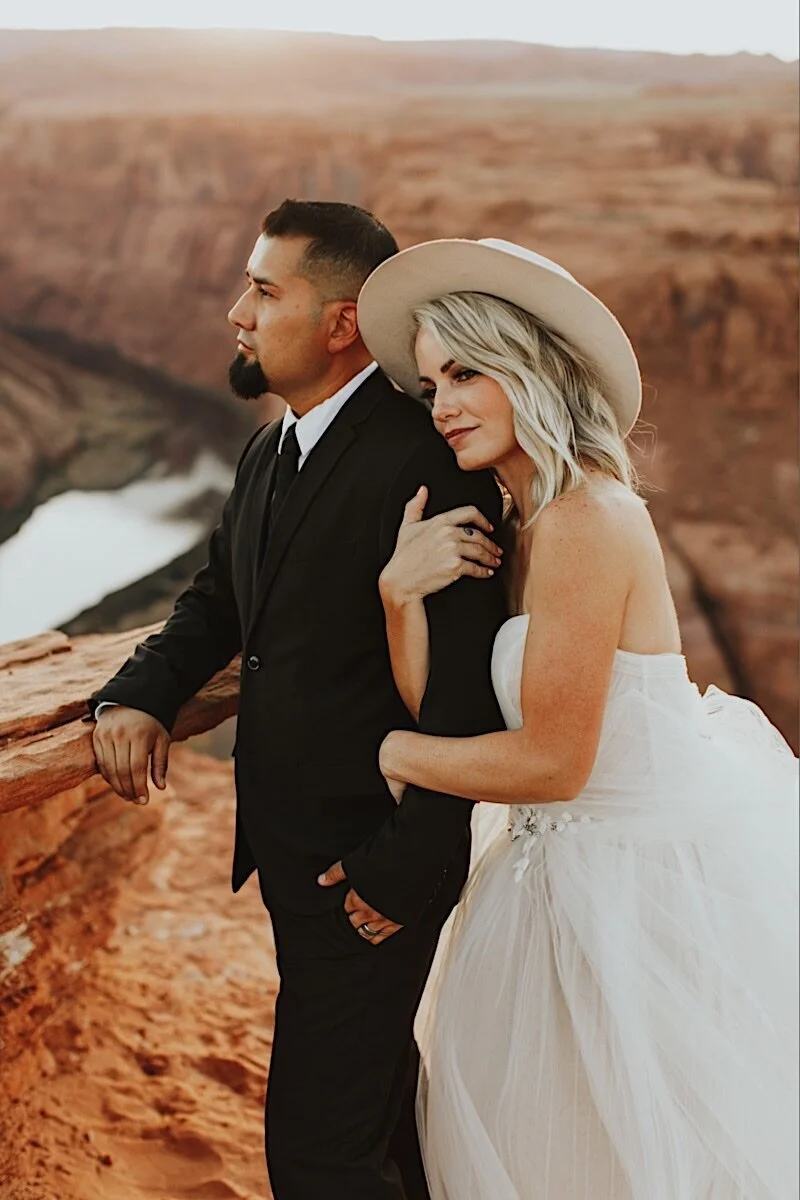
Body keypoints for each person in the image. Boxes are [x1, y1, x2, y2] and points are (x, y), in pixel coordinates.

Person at [355, 237, 800, 1200]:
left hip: (636, 891)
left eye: (466, 373)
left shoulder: (586, 522)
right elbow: (455, 714)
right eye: (431, 385)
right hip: (548, 877)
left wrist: (391, 751)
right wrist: (399, 597)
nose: (442, 406)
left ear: (530, 368)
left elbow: (554, 763)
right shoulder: (520, 523)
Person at [86, 202, 509, 1200]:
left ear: (341, 323)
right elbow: (220, 601)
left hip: (365, 875)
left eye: (264, 291)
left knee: (319, 1157)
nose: (238, 313)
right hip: (301, 861)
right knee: (376, 1128)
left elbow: (461, 694)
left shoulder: (420, 459)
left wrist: (395, 879)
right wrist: (139, 694)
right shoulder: (272, 447)